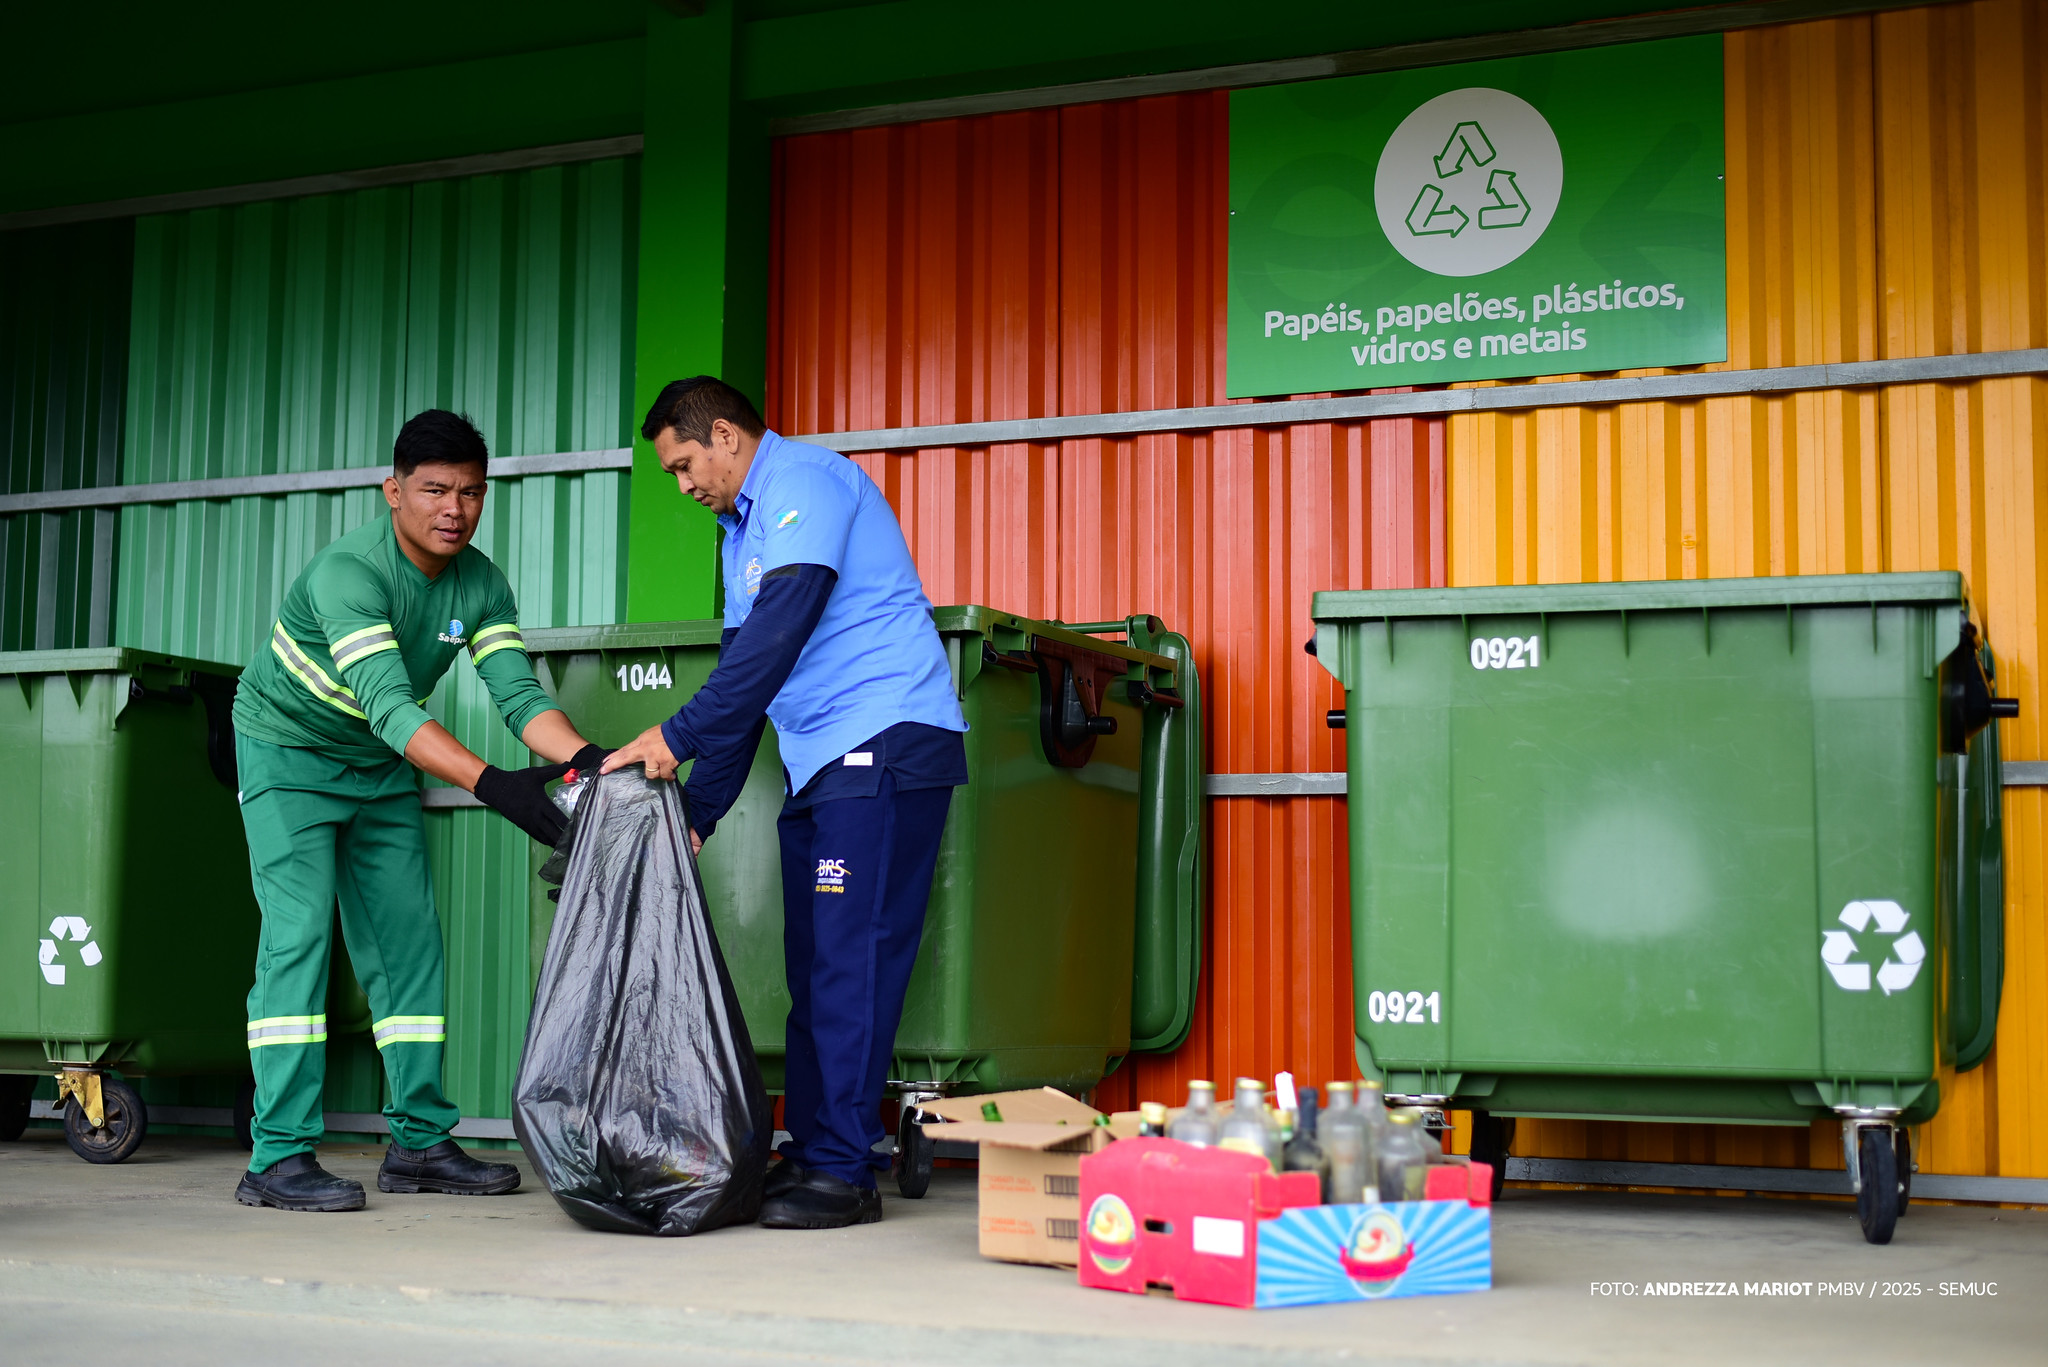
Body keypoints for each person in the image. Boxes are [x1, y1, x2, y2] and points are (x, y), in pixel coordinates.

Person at [602, 376, 967, 1230]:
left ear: (725, 435)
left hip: (884, 742)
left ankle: (844, 1169)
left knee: (850, 957)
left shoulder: (807, 480)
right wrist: (697, 813)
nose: (685, 485)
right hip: (823, 761)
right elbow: (745, 685)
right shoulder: (739, 537)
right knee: (817, 966)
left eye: (686, 463)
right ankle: (814, 1148)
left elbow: (779, 633)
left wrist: (673, 734)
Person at [230, 410, 607, 1212]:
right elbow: (395, 709)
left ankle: (418, 1140)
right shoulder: (348, 574)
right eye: (435, 489)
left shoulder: (481, 580)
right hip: (287, 757)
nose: (454, 509)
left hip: (377, 766)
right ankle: (279, 1153)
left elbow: (517, 694)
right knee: (297, 938)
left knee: (409, 943)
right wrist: (497, 786)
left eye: (471, 492)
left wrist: (582, 760)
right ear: (393, 489)